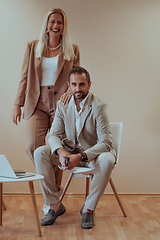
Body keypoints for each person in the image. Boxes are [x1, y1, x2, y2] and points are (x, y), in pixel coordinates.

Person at [34, 66, 116, 229]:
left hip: (93, 156)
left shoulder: (99, 106)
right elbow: (54, 135)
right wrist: (62, 151)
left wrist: (82, 156)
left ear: (89, 84)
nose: (78, 89)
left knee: (108, 159)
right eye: (74, 85)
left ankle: (88, 209)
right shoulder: (63, 104)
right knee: (40, 152)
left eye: (82, 84)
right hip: (69, 152)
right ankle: (54, 205)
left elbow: (106, 143)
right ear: (69, 85)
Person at [11, 8, 80, 197]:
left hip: (61, 104)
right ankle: (52, 187)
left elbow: (75, 78)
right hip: (37, 101)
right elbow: (24, 76)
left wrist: (69, 92)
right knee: (32, 146)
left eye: (59, 22)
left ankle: (53, 194)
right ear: (47, 25)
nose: (55, 26)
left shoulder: (72, 49)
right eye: (52, 22)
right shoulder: (33, 46)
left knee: (61, 147)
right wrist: (17, 103)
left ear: (63, 27)